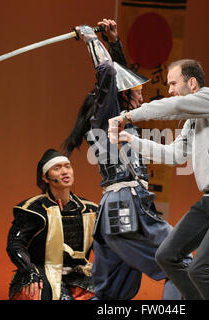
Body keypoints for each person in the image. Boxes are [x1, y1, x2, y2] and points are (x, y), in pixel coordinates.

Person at [109, 59, 209, 300]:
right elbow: (174, 155)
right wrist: (132, 141)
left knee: (201, 269)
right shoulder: (193, 120)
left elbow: (175, 106)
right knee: (166, 255)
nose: (169, 90)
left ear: (192, 83)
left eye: (172, 83)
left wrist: (127, 116)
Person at [62, 19, 190, 300]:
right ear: (123, 97)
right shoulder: (108, 118)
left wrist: (114, 42)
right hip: (127, 207)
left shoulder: (119, 119)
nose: (142, 96)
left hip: (114, 214)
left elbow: (118, 77)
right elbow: (108, 72)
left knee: (110, 295)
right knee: (179, 265)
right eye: (137, 91)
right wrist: (92, 41)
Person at [6, 149, 98, 300]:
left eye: (67, 166)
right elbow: (15, 244)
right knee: (32, 292)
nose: (64, 171)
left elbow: (105, 248)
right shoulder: (33, 209)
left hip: (79, 276)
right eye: (57, 168)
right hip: (41, 275)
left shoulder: (90, 210)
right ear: (45, 177)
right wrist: (29, 271)